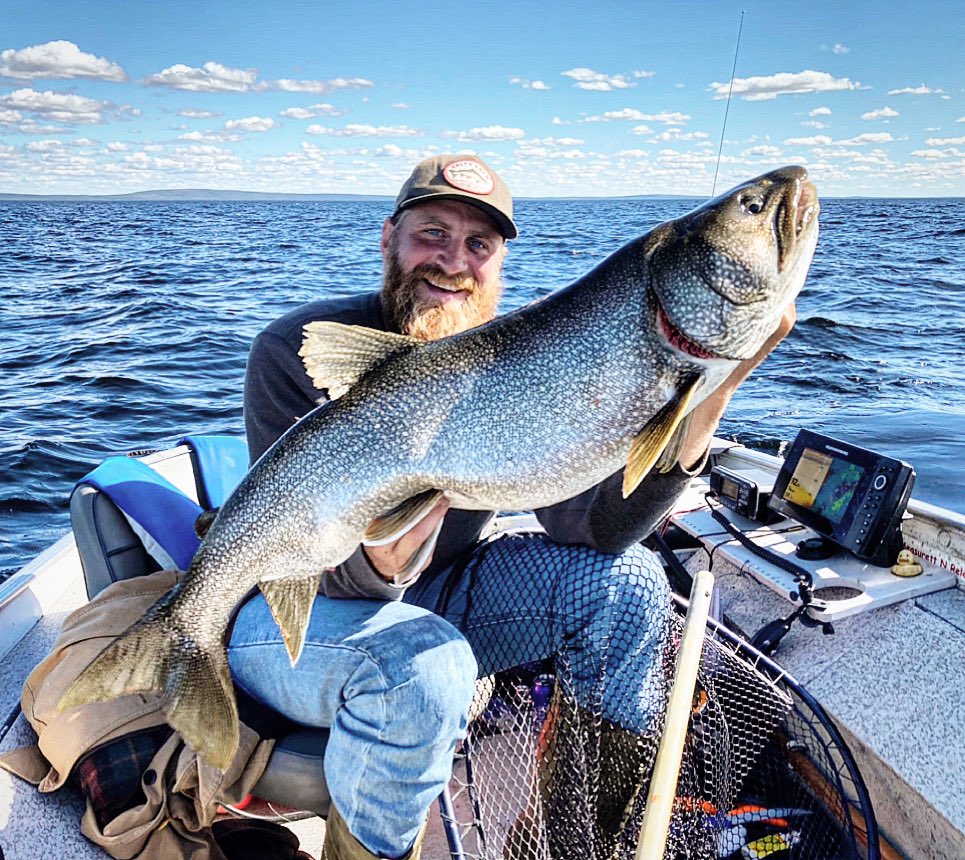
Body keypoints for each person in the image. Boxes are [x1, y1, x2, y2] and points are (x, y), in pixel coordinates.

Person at [231, 154, 795, 860]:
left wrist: (709, 397)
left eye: (478, 245)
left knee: (631, 588)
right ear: (387, 238)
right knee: (424, 665)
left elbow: (588, 531)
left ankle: (573, 840)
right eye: (431, 234)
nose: (452, 263)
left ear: (499, 261)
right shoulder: (301, 350)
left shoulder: (525, 358)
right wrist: (379, 568)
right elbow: (287, 550)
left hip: (444, 590)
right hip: (295, 607)